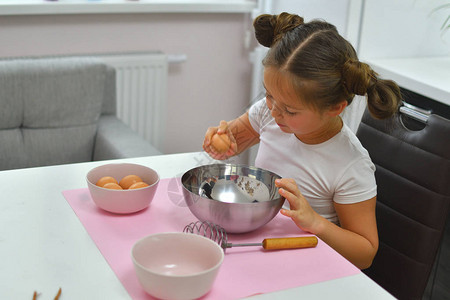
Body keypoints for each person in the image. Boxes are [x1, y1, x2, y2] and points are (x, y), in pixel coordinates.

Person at [203, 12, 402, 269]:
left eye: (290, 110)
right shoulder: (269, 113)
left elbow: (365, 253)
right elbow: (233, 140)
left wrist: (315, 222)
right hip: (259, 249)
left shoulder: (350, 164)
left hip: (306, 267)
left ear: (334, 108)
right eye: (269, 95)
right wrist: (221, 140)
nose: (274, 111)